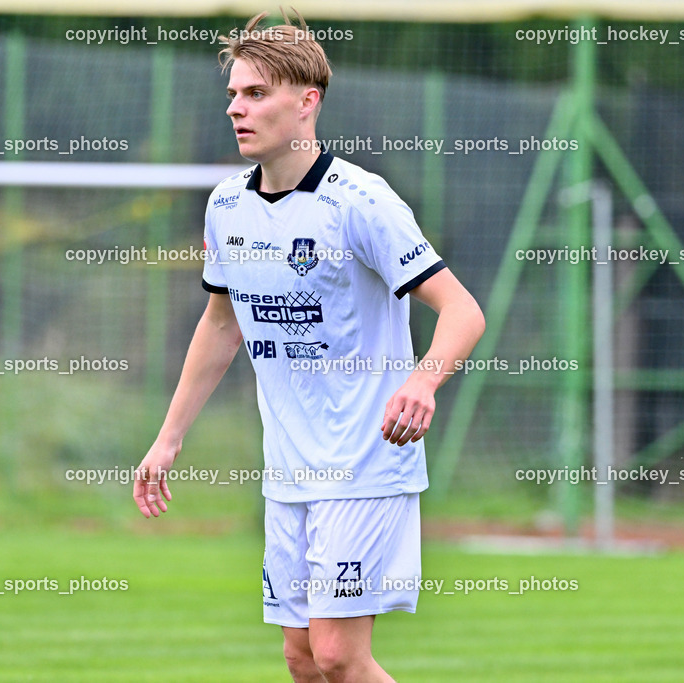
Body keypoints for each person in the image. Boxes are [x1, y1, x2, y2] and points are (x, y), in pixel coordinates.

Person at [134, 10, 485, 682]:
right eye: (233, 94)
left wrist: (423, 381)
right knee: (301, 658)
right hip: (288, 471)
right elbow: (221, 324)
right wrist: (169, 436)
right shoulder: (227, 206)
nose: (236, 108)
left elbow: (462, 310)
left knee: (337, 654)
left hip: (365, 465)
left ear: (306, 102)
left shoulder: (361, 202)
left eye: (256, 93)